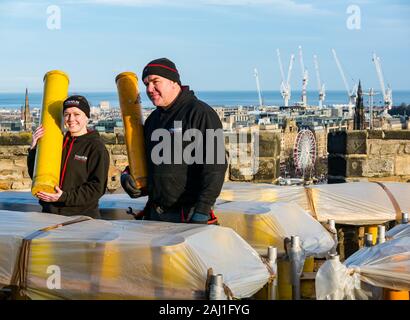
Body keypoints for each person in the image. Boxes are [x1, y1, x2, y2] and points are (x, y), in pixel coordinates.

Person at [121, 58, 227, 224]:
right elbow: (148, 161)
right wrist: (129, 177)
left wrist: (202, 210)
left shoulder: (200, 113)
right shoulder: (153, 120)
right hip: (156, 214)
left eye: (155, 81)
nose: (149, 89)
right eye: (146, 84)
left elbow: (215, 166)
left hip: (189, 214)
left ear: (173, 82)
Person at [27, 95, 110, 219]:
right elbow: (36, 175)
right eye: (67, 114)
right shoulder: (56, 143)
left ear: (87, 117)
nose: (71, 119)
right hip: (50, 215)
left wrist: (64, 197)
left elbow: (97, 188)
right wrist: (34, 149)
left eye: (77, 114)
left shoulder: (96, 148)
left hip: (81, 219)